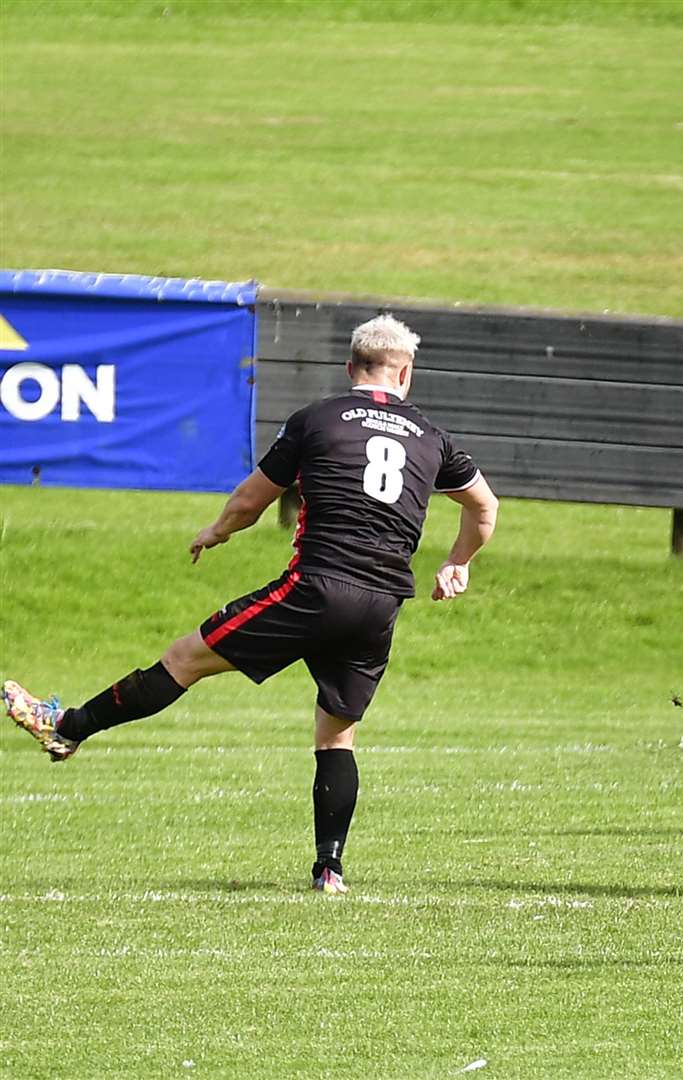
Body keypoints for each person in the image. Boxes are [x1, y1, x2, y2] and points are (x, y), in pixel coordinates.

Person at [5, 314, 498, 895]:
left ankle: (66, 727)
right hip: (381, 603)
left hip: (315, 587)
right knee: (337, 734)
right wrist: (456, 563)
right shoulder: (432, 438)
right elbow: (484, 508)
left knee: (185, 660)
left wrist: (217, 531)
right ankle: (329, 871)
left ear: (350, 368)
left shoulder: (317, 420)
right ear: (406, 373)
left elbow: (249, 500)